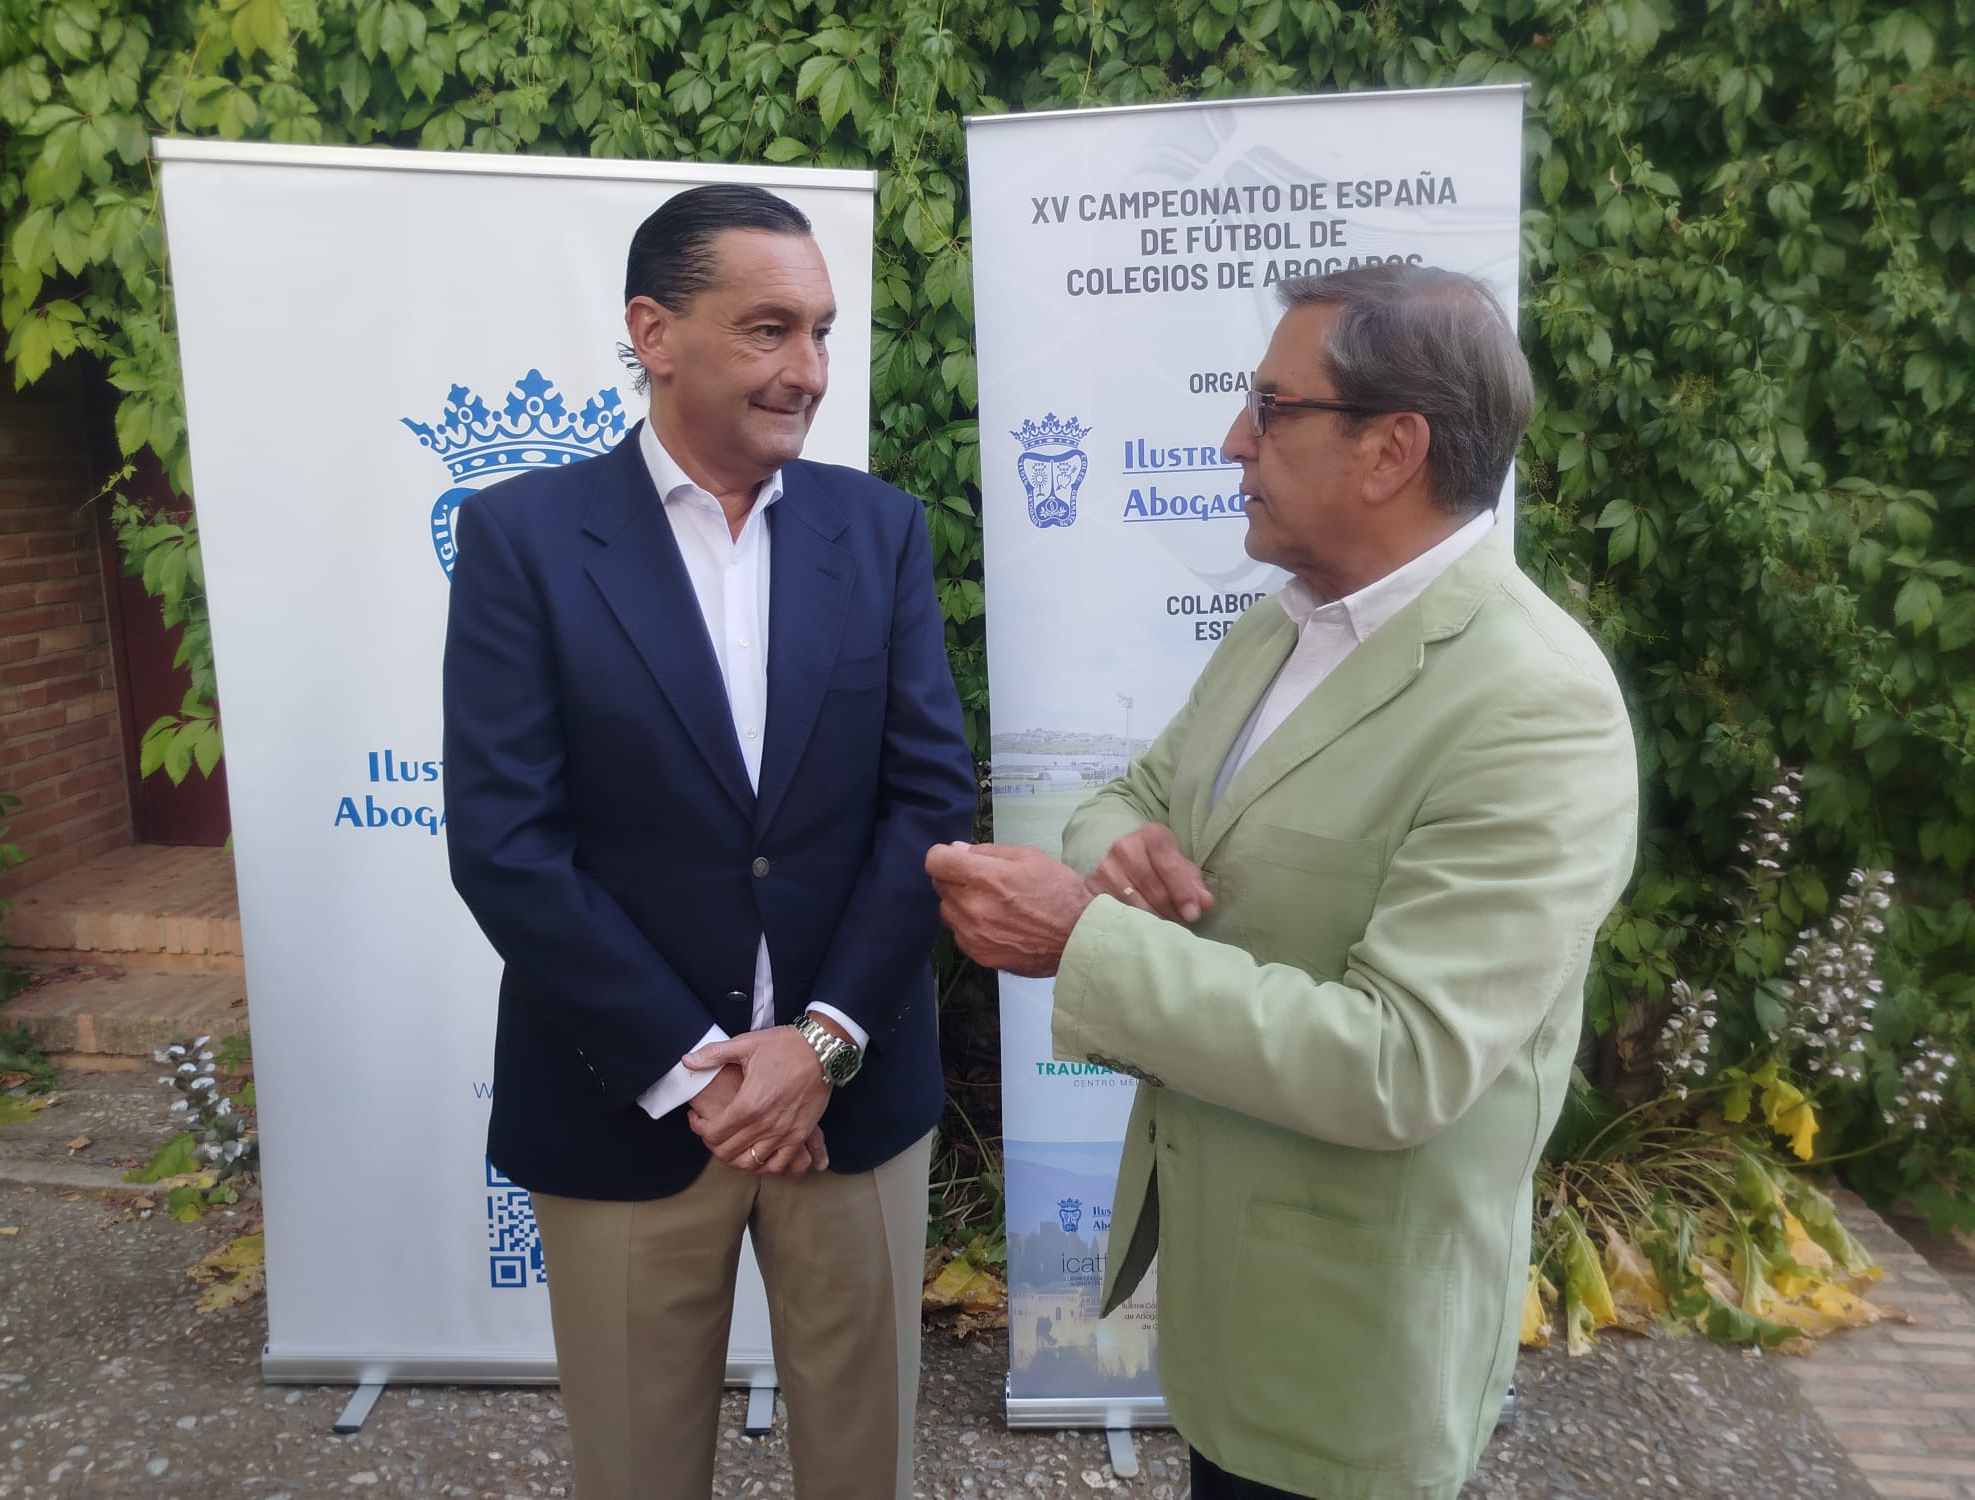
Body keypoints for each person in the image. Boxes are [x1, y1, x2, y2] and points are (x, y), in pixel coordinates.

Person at [928, 262, 1638, 1500]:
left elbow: (1399, 1062)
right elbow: (1136, 796)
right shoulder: (1286, 622)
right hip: (1226, 1303)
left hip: (1348, 1349)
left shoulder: (1535, 708)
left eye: (1270, 407)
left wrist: (1081, 942)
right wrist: (1112, 850)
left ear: (1390, 449)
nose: (1229, 442)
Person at [444, 183, 974, 1500]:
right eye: (768, 330)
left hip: (848, 1111)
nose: (808, 371)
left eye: (821, 333)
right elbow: (507, 837)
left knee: (866, 1471)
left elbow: (927, 802)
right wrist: (699, 1072)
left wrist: (821, 1044)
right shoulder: (523, 538)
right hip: (623, 1109)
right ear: (654, 331)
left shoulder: (881, 531)